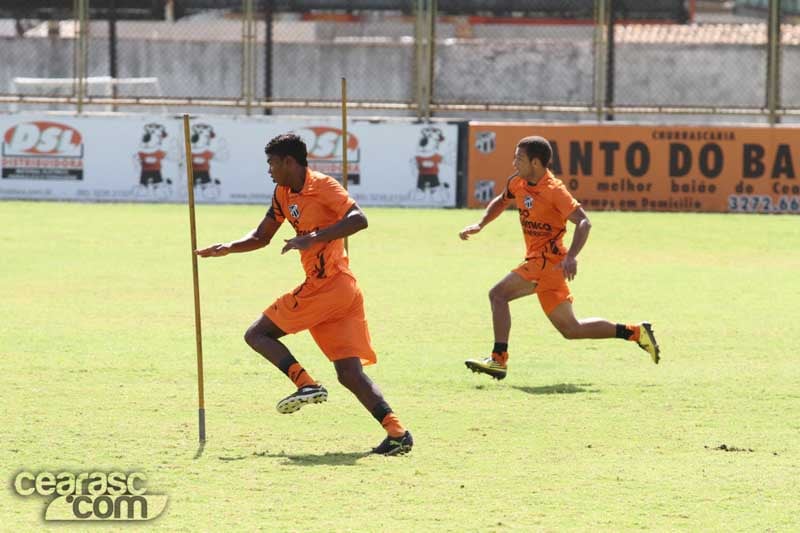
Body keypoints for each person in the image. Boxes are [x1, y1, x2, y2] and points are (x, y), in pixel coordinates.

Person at [196, 133, 412, 455]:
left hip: (328, 286)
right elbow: (261, 236)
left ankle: (305, 383)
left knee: (257, 334)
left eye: (271, 163)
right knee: (350, 373)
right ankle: (398, 433)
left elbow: (359, 219)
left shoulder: (323, 185)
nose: (268, 170)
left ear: (288, 162)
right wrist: (228, 248)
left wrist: (315, 237)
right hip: (341, 292)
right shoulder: (282, 193)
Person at [459, 136, 660, 380]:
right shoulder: (518, 182)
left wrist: (572, 256)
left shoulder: (555, 190)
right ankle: (636, 333)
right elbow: (502, 201)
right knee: (571, 329)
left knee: (497, 295)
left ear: (535, 162)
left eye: (519, 158)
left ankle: (499, 360)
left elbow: (584, 222)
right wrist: (481, 224)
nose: (514, 163)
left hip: (546, 262)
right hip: (545, 266)